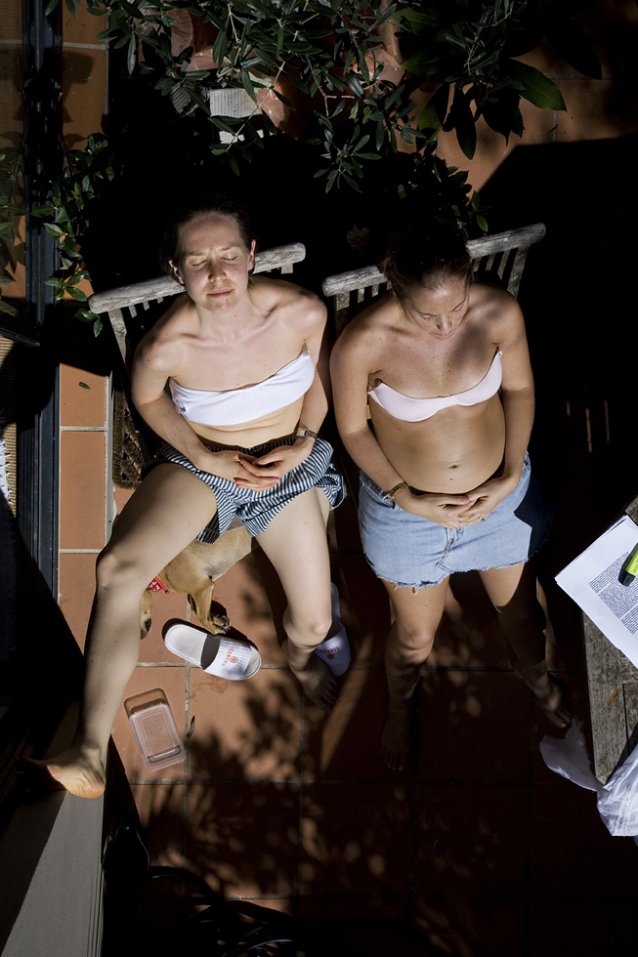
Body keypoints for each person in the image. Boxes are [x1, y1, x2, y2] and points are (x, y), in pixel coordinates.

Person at [37, 196, 345, 798]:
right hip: (205, 465)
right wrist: (203, 454)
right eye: (198, 262)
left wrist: (306, 440)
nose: (217, 275)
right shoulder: (163, 347)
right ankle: (92, 746)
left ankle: (302, 658)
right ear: (177, 271)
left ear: (252, 255)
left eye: (229, 256)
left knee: (314, 621)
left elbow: (323, 381)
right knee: (118, 568)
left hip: (290, 467)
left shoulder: (301, 312)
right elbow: (150, 402)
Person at [329, 216, 571, 771]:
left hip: (499, 497)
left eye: (455, 307)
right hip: (407, 513)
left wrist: (511, 473)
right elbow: (354, 431)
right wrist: (402, 493)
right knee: (414, 637)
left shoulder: (497, 313)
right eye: (426, 312)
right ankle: (399, 705)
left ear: (470, 277)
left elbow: (520, 387)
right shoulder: (362, 343)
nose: (444, 325)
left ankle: (537, 681)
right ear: (395, 286)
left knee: (520, 616)